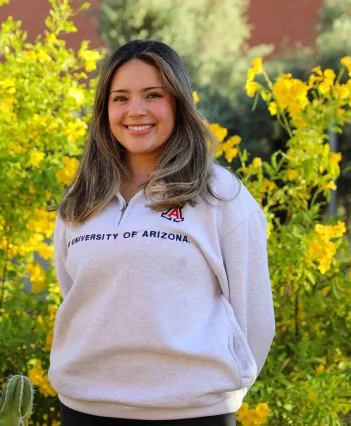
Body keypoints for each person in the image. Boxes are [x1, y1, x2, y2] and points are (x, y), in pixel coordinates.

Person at [46, 39, 276, 426]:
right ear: (105, 109)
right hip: (85, 409)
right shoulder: (80, 199)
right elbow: (77, 294)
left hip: (194, 415)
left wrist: (217, 391)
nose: (136, 111)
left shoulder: (220, 195)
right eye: (120, 98)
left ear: (178, 104)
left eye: (153, 95)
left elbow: (254, 315)